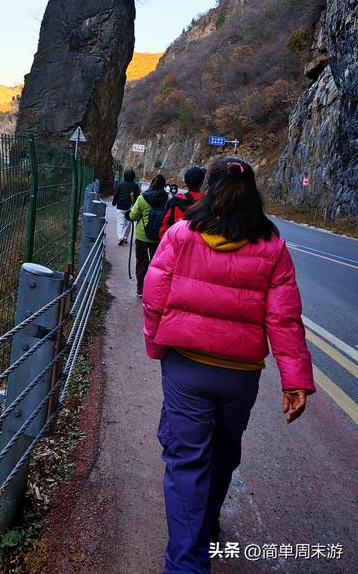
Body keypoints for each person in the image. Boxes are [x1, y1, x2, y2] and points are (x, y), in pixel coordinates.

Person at [143, 157, 315, 574]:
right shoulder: (272, 247)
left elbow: (154, 295)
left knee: (186, 460)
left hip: (186, 368)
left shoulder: (182, 235)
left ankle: (185, 563)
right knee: (223, 452)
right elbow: (285, 318)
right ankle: (207, 522)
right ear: (251, 195)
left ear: (207, 190)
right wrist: (294, 381)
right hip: (241, 375)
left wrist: (156, 346)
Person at [129, 174, 168, 296]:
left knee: (141, 262)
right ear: (164, 185)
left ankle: (140, 289)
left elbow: (133, 216)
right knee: (155, 264)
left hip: (142, 236)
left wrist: (129, 215)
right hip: (159, 237)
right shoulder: (168, 199)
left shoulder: (142, 198)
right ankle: (152, 288)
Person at [158, 165, 206, 239]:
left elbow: (165, 225)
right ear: (202, 182)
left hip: (175, 242)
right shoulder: (208, 203)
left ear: (186, 183)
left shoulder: (175, 201)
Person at [112, 169, 140, 245]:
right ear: (133, 177)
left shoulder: (121, 184)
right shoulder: (135, 186)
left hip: (120, 206)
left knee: (120, 222)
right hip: (131, 207)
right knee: (128, 223)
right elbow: (137, 197)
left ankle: (120, 237)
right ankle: (124, 237)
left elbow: (116, 194)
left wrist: (114, 202)